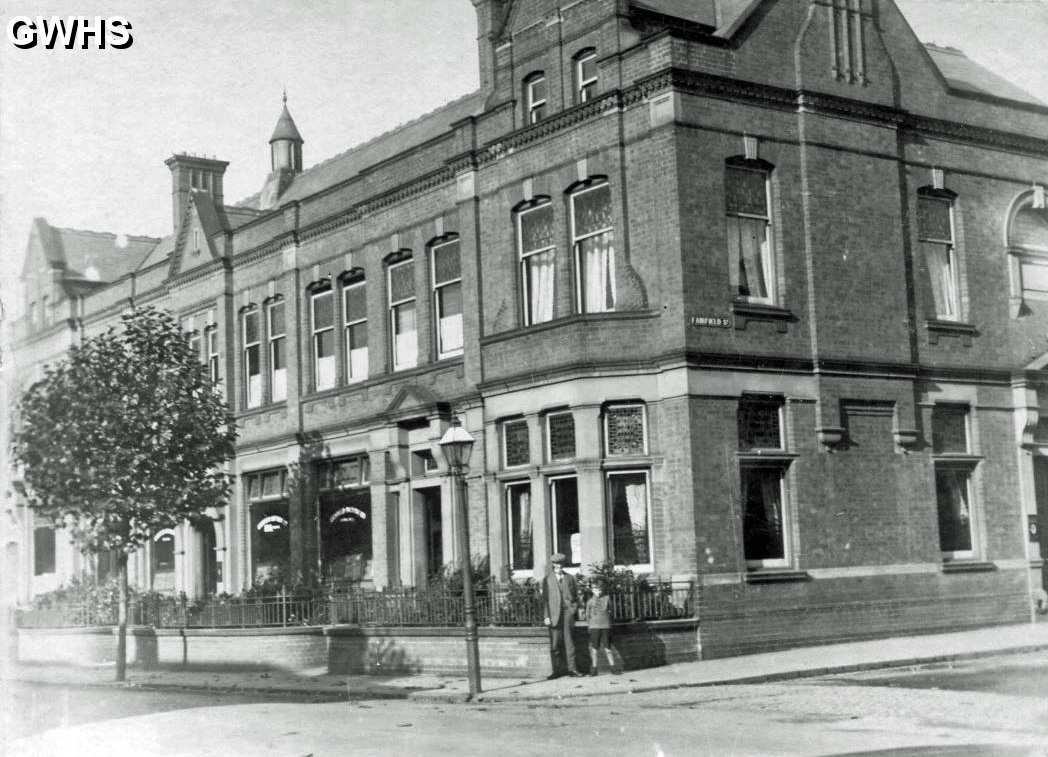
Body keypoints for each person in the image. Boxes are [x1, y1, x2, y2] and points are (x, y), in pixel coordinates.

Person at [542, 552, 582, 678]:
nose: (558, 566)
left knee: (569, 642)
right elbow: (545, 600)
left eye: (560, 563)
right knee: (555, 643)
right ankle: (557, 671)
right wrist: (546, 616)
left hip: (567, 614)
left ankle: (572, 669)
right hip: (553, 614)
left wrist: (573, 609)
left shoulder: (570, 578)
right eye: (555, 563)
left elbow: (576, 596)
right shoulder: (547, 579)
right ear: (553, 564)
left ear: (563, 564)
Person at [585, 583, 616, 675]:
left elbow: (611, 611)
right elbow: (587, 615)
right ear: (592, 591)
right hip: (594, 626)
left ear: (601, 590)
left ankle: (613, 668)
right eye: (595, 589)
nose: (597, 591)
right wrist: (590, 625)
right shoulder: (590, 601)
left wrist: (609, 623)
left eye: (599, 589)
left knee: (608, 649)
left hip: (605, 626)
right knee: (594, 649)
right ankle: (594, 669)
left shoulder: (607, 598)